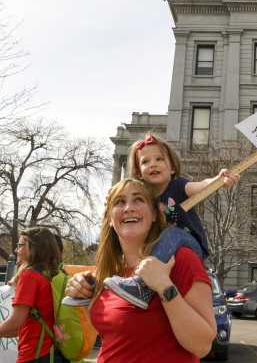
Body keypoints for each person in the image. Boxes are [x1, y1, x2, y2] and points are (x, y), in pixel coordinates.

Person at [66, 133, 239, 309]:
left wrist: (218, 180)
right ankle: (98, 290)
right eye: (145, 162)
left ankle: (141, 285)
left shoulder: (178, 185)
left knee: (170, 233)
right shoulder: (145, 196)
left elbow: (200, 186)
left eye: (159, 159)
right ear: (139, 173)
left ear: (171, 168)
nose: (153, 164)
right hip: (163, 246)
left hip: (189, 241)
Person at [66, 178, 216, 362]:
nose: (128, 207)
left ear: (154, 214)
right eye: (119, 202)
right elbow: (117, 336)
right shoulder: (110, 272)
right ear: (110, 219)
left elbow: (202, 346)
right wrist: (83, 290)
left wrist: (164, 286)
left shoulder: (179, 259)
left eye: (138, 199)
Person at [0, 227, 64, 363]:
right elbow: (22, 327)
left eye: (20, 245)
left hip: (34, 354)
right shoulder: (51, 275)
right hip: (52, 353)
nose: (16, 250)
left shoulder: (29, 276)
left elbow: (16, 322)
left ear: (34, 248)